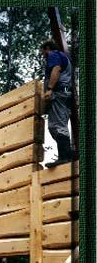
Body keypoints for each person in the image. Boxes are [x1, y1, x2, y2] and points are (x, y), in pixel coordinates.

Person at [41, 40, 73, 168]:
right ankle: (66, 155)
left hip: (59, 94)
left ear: (47, 48)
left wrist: (50, 88)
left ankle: (65, 157)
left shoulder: (53, 55)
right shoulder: (65, 57)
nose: (43, 54)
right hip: (65, 95)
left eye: (43, 51)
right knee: (57, 125)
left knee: (57, 125)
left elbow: (56, 69)